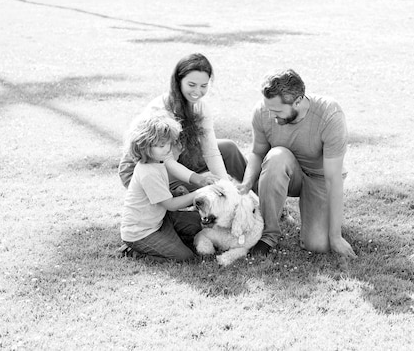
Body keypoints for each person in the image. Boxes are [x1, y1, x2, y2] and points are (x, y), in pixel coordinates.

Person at [236, 69, 357, 258]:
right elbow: (257, 153)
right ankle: (268, 236)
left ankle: (319, 220)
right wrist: (246, 183)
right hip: (284, 170)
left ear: (298, 101)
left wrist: (335, 236)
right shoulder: (263, 111)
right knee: (277, 156)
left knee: (317, 245)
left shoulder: (329, 114)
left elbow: (333, 179)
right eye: (269, 108)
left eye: (277, 110)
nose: (271, 115)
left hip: (320, 177)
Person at [119, 53, 247, 195]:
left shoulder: (200, 108)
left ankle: (262, 196)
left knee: (228, 148)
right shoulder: (161, 110)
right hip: (147, 167)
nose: (197, 91)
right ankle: (176, 195)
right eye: (191, 85)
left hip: (176, 159)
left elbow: (210, 151)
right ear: (178, 81)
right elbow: (165, 159)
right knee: (205, 188)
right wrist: (198, 179)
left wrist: (225, 184)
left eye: (203, 86)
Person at [120, 111, 221, 262]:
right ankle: (133, 251)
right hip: (141, 232)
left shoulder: (158, 160)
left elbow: (158, 194)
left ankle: (172, 236)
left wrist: (174, 192)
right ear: (143, 147)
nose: (167, 148)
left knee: (199, 224)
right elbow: (171, 205)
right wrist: (199, 192)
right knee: (184, 257)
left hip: (160, 219)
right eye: (161, 145)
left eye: (168, 143)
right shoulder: (148, 172)